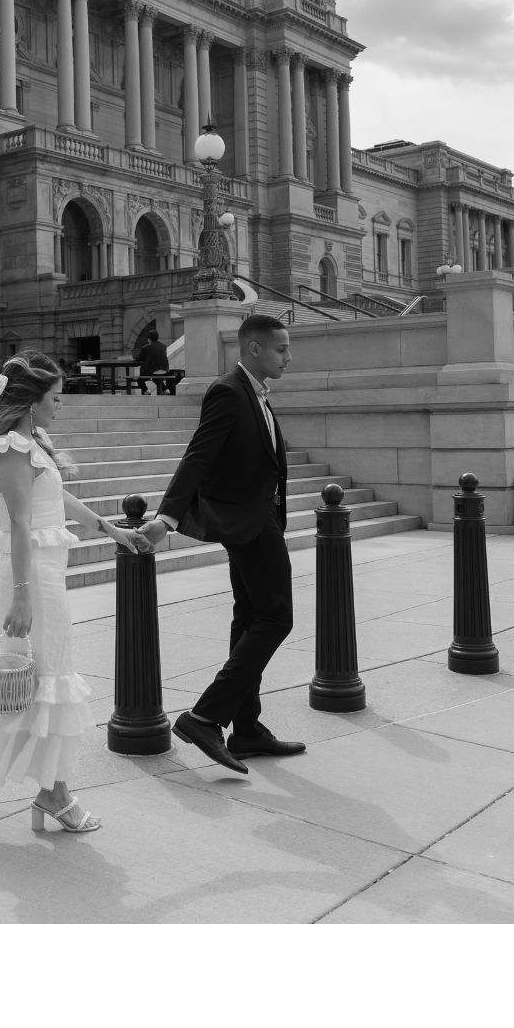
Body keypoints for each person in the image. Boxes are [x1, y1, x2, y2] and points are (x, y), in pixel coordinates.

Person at [0, 352, 153, 835]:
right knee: (31, 687)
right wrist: (24, 596)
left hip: (45, 576)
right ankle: (35, 789)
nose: (59, 406)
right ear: (31, 403)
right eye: (54, 398)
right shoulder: (7, 448)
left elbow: (55, 497)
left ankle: (38, 789)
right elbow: (23, 524)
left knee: (42, 688)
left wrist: (109, 528)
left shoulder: (30, 444)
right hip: (29, 580)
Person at [142, 314, 303, 773]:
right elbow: (199, 454)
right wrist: (167, 517)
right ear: (253, 349)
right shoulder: (228, 392)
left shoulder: (258, 395)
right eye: (281, 350)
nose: (288, 358)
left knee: (250, 617)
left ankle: (247, 729)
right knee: (276, 618)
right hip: (249, 522)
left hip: (257, 518)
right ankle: (205, 717)